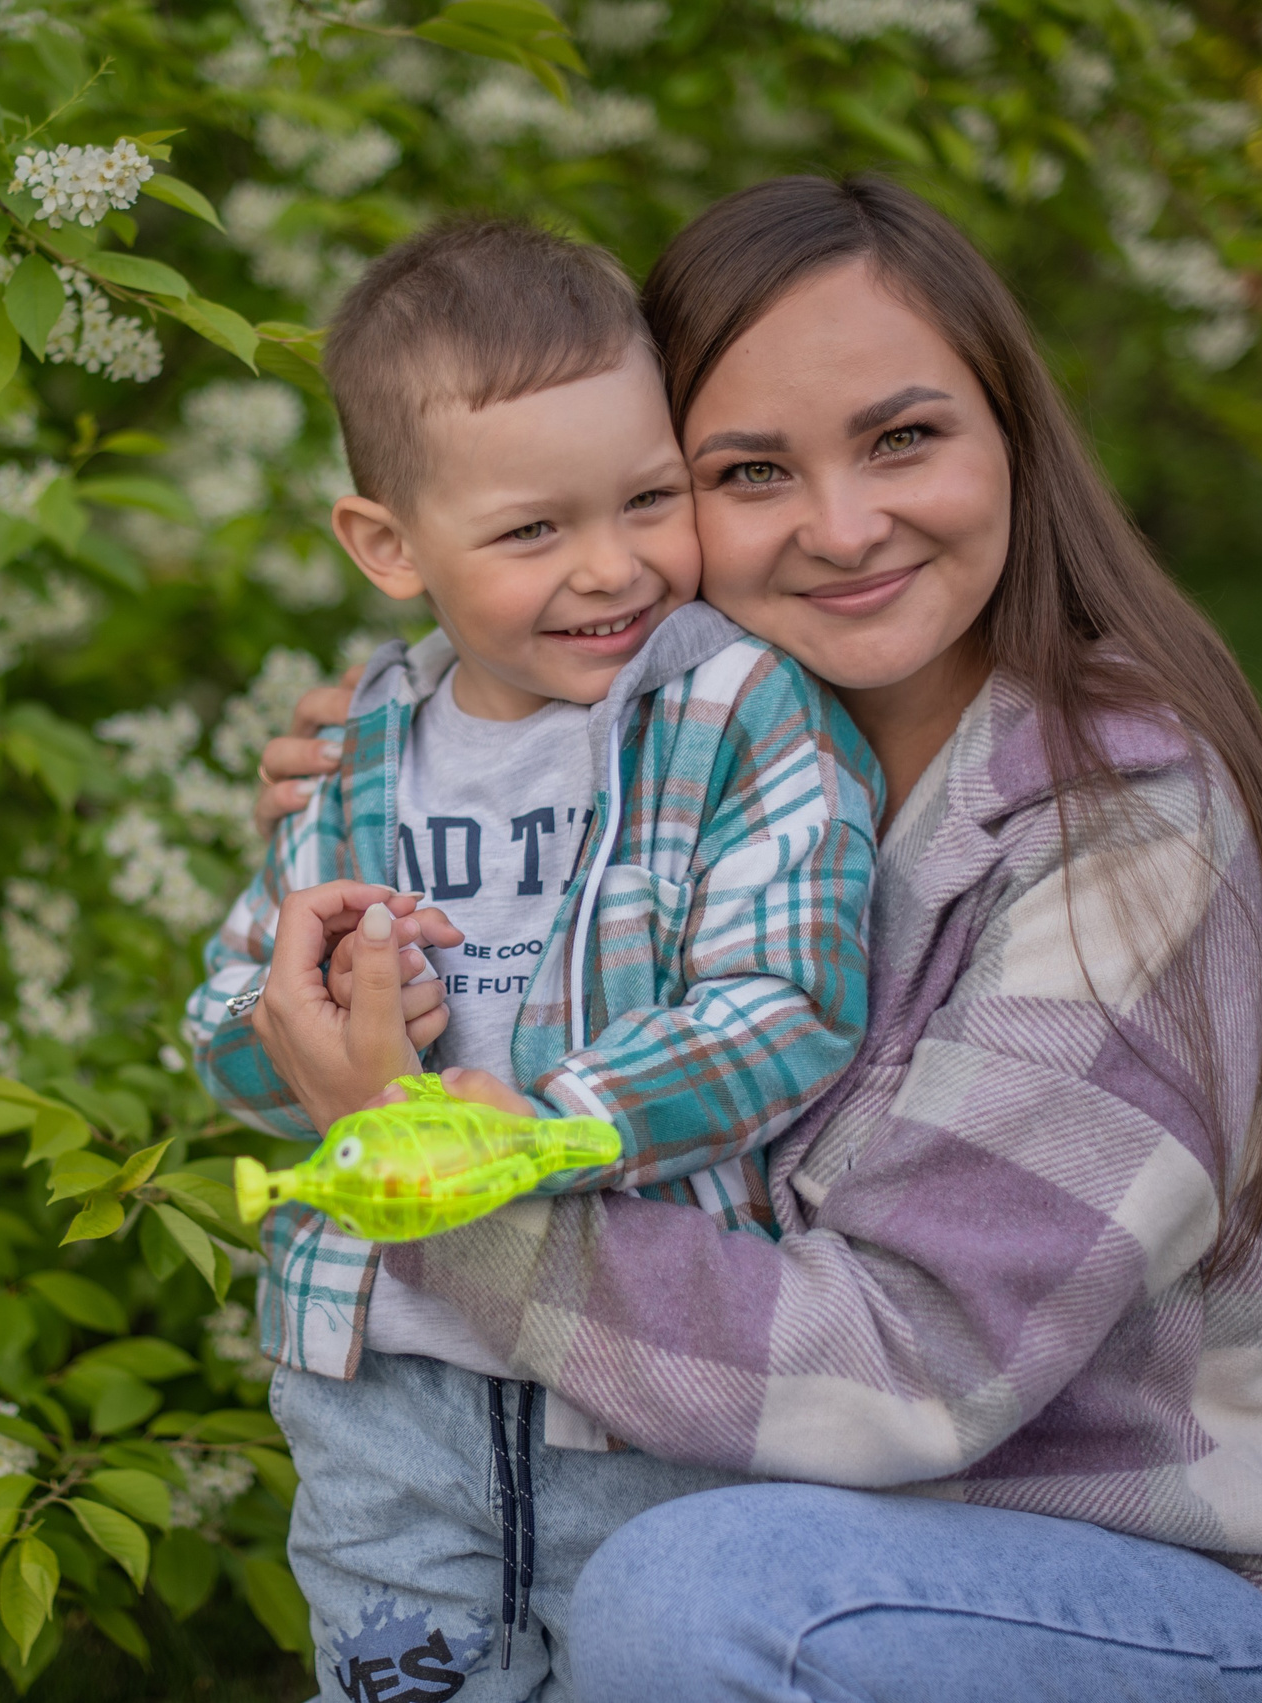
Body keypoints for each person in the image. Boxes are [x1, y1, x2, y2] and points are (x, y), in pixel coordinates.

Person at [244, 178, 1262, 1703]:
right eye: (747, 469)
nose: (842, 525)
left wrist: (434, 1184)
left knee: (697, 1602)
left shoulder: (1127, 836)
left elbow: (912, 1367)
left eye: (903, 437)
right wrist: (402, 790)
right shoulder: (677, 784)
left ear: (1009, 430)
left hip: (1199, 1607)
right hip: (841, 1538)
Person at [183, 219, 880, 1701]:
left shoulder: (733, 712)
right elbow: (233, 1022)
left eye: (648, 498)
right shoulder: (361, 751)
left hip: (634, 1377)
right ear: (387, 545)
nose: (614, 567)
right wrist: (303, 1028)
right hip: (380, 1381)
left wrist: (549, 1121)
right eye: (533, 531)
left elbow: (789, 999)